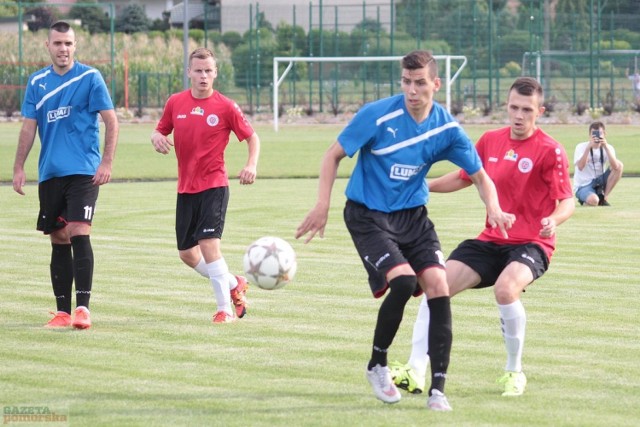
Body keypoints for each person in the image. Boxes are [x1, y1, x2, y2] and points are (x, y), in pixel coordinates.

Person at [295, 50, 513, 411]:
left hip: (413, 218)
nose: (412, 90)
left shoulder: (446, 129)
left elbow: (480, 176)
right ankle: (377, 364)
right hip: (368, 215)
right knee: (402, 281)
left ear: (436, 84)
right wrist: (322, 204)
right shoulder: (377, 115)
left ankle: (438, 390)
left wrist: (493, 206)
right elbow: (332, 155)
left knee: (439, 286)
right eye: (406, 82)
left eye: (420, 83)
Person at [390, 76, 575, 398]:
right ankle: (415, 370)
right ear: (507, 106)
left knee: (506, 289)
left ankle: (514, 372)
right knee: (435, 283)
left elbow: (567, 199)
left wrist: (553, 219)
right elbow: (465, 177)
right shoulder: (490, 140)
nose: (519, 115)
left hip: (532, 242)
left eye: (527, 110)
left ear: (540, 111)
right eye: (514, 107)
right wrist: (423, 187)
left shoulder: (550, 150)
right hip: (491, 240)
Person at [12, 20, 119, 330]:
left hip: (84, 170)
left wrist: (107, 162)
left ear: (75, 46)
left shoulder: (89, 77)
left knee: (78, 229)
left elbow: (111, 121)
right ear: (48, 45)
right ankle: (62, 313)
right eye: (58, 43)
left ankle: (83, 308)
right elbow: (29, 127)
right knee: (58, 237)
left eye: (68, 43)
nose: (63, 48)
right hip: (50, 173)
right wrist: (20, 167)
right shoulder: (36, 82)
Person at [151, 47, 260, 324]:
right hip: (185, 188)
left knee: (209, 244)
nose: (203, 76)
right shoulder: (175, 102)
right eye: (198, 70)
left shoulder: (225, 106)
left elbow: (252, 138)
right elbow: (161, 129)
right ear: (189, 72)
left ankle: (224, 309)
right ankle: (234, 282)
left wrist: (251, 165)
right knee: (187, 254)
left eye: (208, 71)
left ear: (215, 73)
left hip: (214, 185)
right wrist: (156, 137)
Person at [573, 122, 623, 207]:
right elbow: (580, 167)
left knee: (620, 165)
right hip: (583, 185)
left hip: (599, 181)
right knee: (594, 201)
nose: (596, 136)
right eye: (594, 134)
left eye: (599, 133)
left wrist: (606, 147)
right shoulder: (581, 147)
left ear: (604, 134)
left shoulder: (609, 147)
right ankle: (587, 199)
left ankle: (604, 198)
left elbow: (616, 167)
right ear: (589, 135)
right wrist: (588, 148)